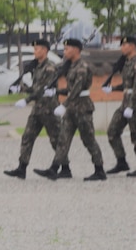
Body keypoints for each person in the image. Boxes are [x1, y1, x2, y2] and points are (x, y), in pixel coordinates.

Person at [37, 38, 107, 181]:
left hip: (82, 107)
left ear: (76, 50)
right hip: (71, 109)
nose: (65, 51)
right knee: (63, 138)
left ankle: (99, 170)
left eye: (67, 49)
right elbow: (69, 89)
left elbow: (77, 89)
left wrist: (64, 105)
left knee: (88, 139)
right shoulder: (70, 65)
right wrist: (55, 92)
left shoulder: (82, 67)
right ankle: (55, 168)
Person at [4, 40, 61, 179]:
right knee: (27, 137)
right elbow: (35, 88)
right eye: (34, 49)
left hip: (49, 108)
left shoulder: (50, 68)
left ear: (45, 50)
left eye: (37, 49)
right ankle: (22, 168)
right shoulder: (37, 67)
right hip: (38, 109)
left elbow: (43, 89)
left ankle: (64, 168)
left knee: (56, 140)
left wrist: (27, 100)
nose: (35, 51)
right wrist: (21, 88)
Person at [103, 36, 136, 174]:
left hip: (133, 104)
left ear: (132, 46)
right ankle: (121, 162)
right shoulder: (126, 63)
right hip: (125, 102)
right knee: (112, 131)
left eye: (124, 45)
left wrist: (131, 106)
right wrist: (113, 88)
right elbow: (127, 85)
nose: (122, 48)